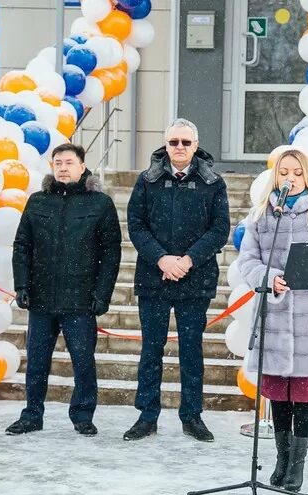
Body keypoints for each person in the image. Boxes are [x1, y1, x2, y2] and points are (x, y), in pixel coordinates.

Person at [239, 148, 308, 492]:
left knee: (303, 392)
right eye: (284, 171)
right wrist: (269, 277)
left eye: (297, 172)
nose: (290, 177)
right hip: (274, 315)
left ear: (307, 177)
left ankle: (297, 466)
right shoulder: (260, 216)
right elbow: (248, 262)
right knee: (277, 393)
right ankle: (281, 459)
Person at [124, 119, 230, 442]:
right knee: (151, 350)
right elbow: (136, 224)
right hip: (154, 278)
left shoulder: (213, 183)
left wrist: (187, 260)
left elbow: (219, 229)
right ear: (165, 145)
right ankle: (147, 415)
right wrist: (162, 258)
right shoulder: (147, 181)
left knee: (191, 351)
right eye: (174, 142)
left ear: (196, 145)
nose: (179, 148)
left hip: (194, 280)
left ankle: (192, 415)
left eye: (186, 142)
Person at [6, 143, 121, 437]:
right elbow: (22, 246)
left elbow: (110, 252)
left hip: (80, 300)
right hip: (41, 298)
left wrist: (101, 294)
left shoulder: (99, 203)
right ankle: (32, 414)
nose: (63, 167)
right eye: (58, 162)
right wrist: (21, 284)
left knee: (83, 361)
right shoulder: (38, 202)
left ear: (82, 167)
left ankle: (83, 415)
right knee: (36, 361)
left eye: (69, 162)